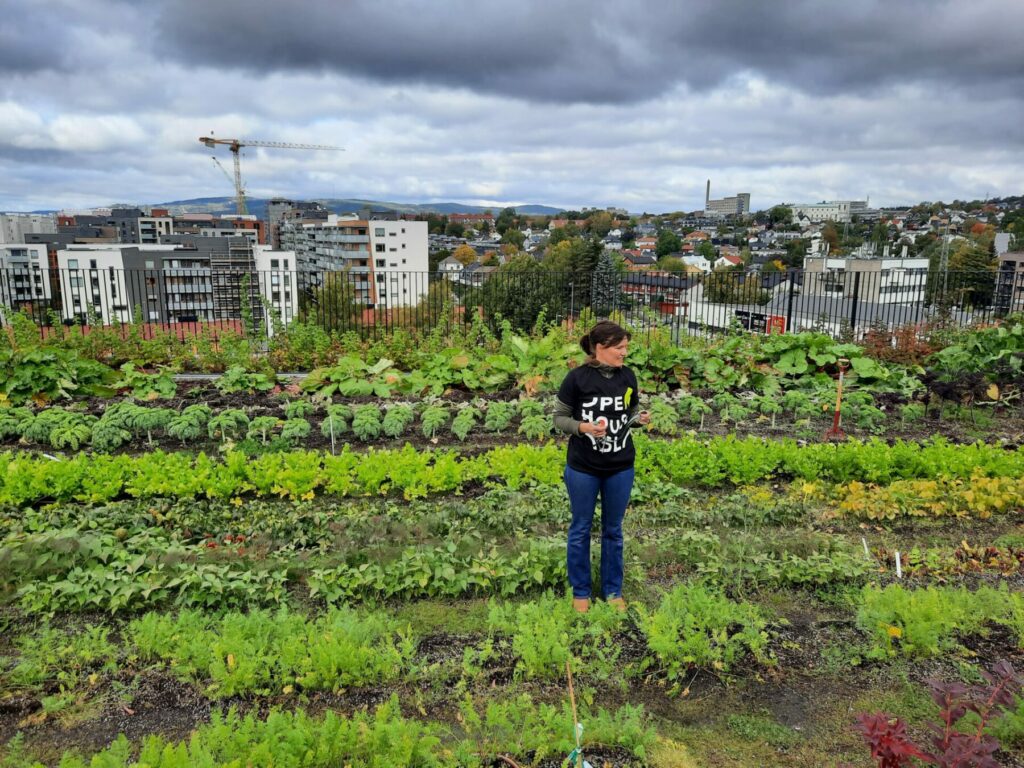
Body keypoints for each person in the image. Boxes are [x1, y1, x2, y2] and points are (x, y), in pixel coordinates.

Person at [553, 320, 649, 613]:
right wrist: (582, 427)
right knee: (580, 528)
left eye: (626, 348)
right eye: (620, 348)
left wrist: (640, 417)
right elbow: (559, 419)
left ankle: (612, 591)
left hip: (620, 466)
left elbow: (632, 407)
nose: (624, 354)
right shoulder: (576, 379)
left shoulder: (628, 377)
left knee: (613, 530)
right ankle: (581, 592)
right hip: (583, 467)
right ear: (600, 348)